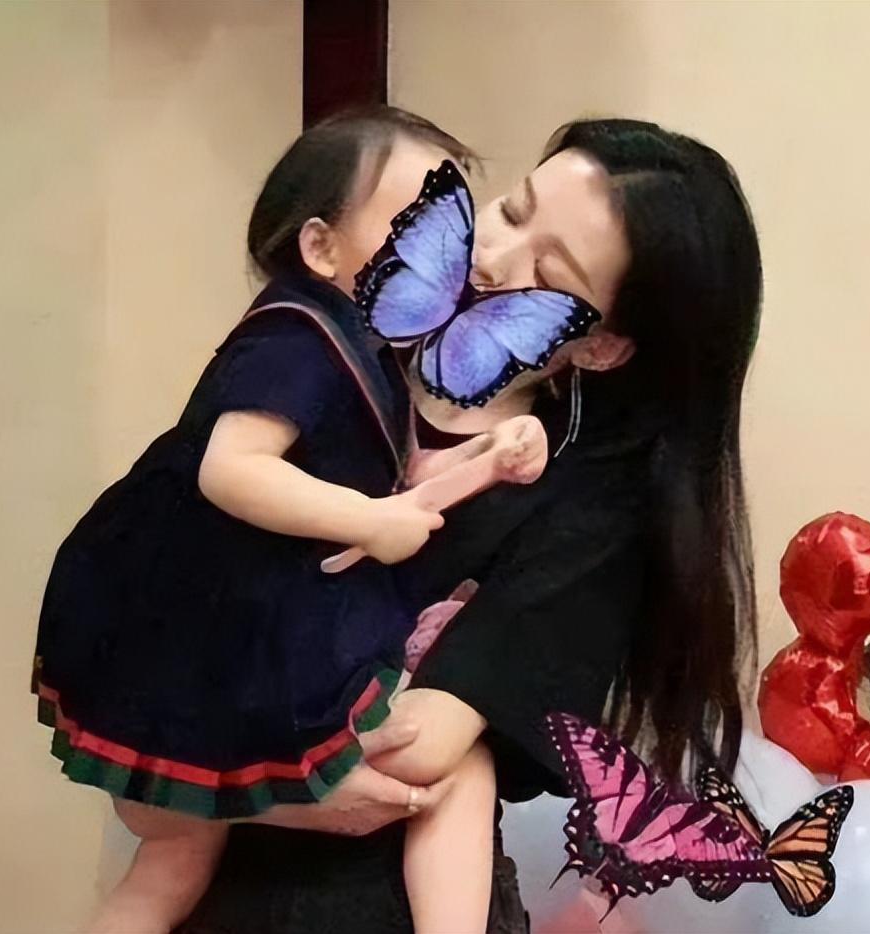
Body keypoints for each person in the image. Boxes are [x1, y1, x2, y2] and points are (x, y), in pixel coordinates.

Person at [177, 116, 763, 934]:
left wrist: (204, 764)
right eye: (512, 211)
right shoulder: (316, 362)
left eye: (547, 272)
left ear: (600, 347)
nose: (490, 259)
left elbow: (412, 752)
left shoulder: (585, 510)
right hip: (205, 884)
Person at [32, 108, 534, 934]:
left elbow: (405, 483)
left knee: (173, 862)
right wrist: (368, 521)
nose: (447, 258)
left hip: (211, 634)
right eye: (412, 228)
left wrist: (488, 459)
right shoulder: (295, 341)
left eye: (450, 230)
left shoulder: (367, 348)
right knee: (459, 772)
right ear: (322, 249)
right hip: (213, 632)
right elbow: (231, 469)